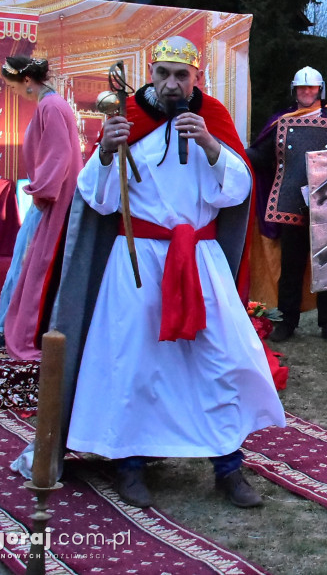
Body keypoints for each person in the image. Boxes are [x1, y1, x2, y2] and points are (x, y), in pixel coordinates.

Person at [60, 36, 286, 508]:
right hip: (137, 262)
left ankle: (229, 467)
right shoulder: (127, 120)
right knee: (134, 364)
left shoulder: (214, 120)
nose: (171, 83)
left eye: (181, 75)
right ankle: (130, 463)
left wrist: (208, 145)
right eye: (162, 74)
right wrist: (104, 152)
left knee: (220, 361)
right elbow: (98, 199)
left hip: (199, 261)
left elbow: (237, 191)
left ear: (196, 78)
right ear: (151, 75)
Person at [247, 67, 327, 344]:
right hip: (290, 203)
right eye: (301, 89)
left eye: (311, 88)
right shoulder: (281, 122)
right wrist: (231, 149)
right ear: (294, 90)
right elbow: (260, 157)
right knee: (291, 268)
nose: (306, 93)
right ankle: (288, 321)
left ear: (320, 89)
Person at [0, 57, 82, 361]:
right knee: (27, 263)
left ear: (27, 81)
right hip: (50, 195)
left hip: (53, 197)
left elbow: (59, 153)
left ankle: (24, 334)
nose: (13, 91)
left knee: (34, 266)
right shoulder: (51, 104)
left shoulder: (51, 106)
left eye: (12, 86)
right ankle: (11, 329)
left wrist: (41, 191)